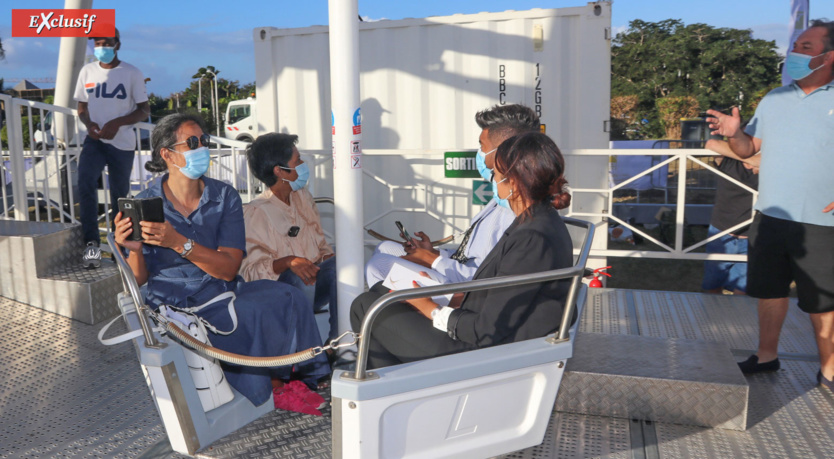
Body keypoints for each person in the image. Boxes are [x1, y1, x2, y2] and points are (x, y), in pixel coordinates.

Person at [112, 114, 330, 415]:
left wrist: (179, 242)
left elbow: (229, 268)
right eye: (192, 142)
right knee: (251, 311)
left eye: (204, 141)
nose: (202, 147)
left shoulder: (222, 195)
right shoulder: (146, 204)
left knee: (288, 296)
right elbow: (137, 280)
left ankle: (305, 377)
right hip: (175, 304)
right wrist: (133, 249)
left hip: (220, 287)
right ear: (167, 154)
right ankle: (274, 385)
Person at [351, 132, 574, 369]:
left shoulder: (532, 237)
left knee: (367, 306)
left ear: (515, 185)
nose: (493, 178)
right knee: (381, 293)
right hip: (485, 330)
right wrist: (445, 295)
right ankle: (395, 384)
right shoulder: (535, 222)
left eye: (497, 175)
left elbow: (485, 329)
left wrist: (429, 308)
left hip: (483, 350)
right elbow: (500, 293)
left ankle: (386, 389)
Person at [707, 20, 834, 392]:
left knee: (822, 303)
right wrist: (737, 134)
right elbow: (749, 150)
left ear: (830, 56)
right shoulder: (774, 98)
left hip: (821, 223)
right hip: (770, 215)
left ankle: (829, 371)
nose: (795, 53)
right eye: (796, 46)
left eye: (806, 48)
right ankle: (766, 356)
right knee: (769, 291)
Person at [364, 104, 537, 287]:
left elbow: (480, 277)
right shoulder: (502, 195)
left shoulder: (511, 207)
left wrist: (432, 260)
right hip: (459, 273)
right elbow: (470, 257)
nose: (480, 153)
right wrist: (433, 253)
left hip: (467, 290)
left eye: (482, 146)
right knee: (385, 248)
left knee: (378, 265)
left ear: (503, 151)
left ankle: (390, 310)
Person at [240, 133, 338, 341]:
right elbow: (250, 273)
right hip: (281, 295)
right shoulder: (256, 212)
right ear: (279, 171)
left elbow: (321, 246)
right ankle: (309, 357)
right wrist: (288, 263)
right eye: (298, 161)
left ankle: (340, 343)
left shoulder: (303, 197)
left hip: (313, 284)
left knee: (342, 263)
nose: (303, 165)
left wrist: (327, 259)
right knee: (299, 277)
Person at [75, 28, 150, 269]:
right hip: (95, 141)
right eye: (97, 43)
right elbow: (82, 108)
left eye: (106, 43)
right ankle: (92, 246)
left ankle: (121, 249)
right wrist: (89, 124)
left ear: (117, 44)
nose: (101, 48)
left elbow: (144, 109)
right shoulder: (87, 71)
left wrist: (117, 123)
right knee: (85, 183)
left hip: (122, 144)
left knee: (120, 197)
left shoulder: (131, 73)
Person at [701, 139, 760, 295]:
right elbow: (710, 144)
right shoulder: (728, 161)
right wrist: (749, 158)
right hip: (721, 233)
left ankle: (736, 319)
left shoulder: (772, 164)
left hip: (751, 236)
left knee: (742, 291)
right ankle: (710, 318)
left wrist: (761, 161)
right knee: (711, 286)